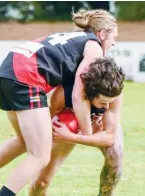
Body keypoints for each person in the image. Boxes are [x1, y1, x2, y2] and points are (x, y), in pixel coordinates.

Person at [0, 9, 118, 196]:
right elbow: (78, 94)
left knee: (25, 142)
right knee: (40, 156)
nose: (114, 42)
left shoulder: (74, 38)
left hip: (6, 72)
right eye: (114, 36)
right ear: (102, 33)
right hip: (26, 78)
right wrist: (87, 130)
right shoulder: (95, 48)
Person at [29, 58, 125, 196]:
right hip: (65, 128)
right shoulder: (63, 94)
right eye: (103, 102)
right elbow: (45, 127)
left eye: (110, 102)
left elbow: (110, 137)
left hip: (84, 130)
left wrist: (73, 137)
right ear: (89, 95)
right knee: (41, 183)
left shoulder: (114, 91)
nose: (107, 107)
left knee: (116, 154)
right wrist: (62, 135)